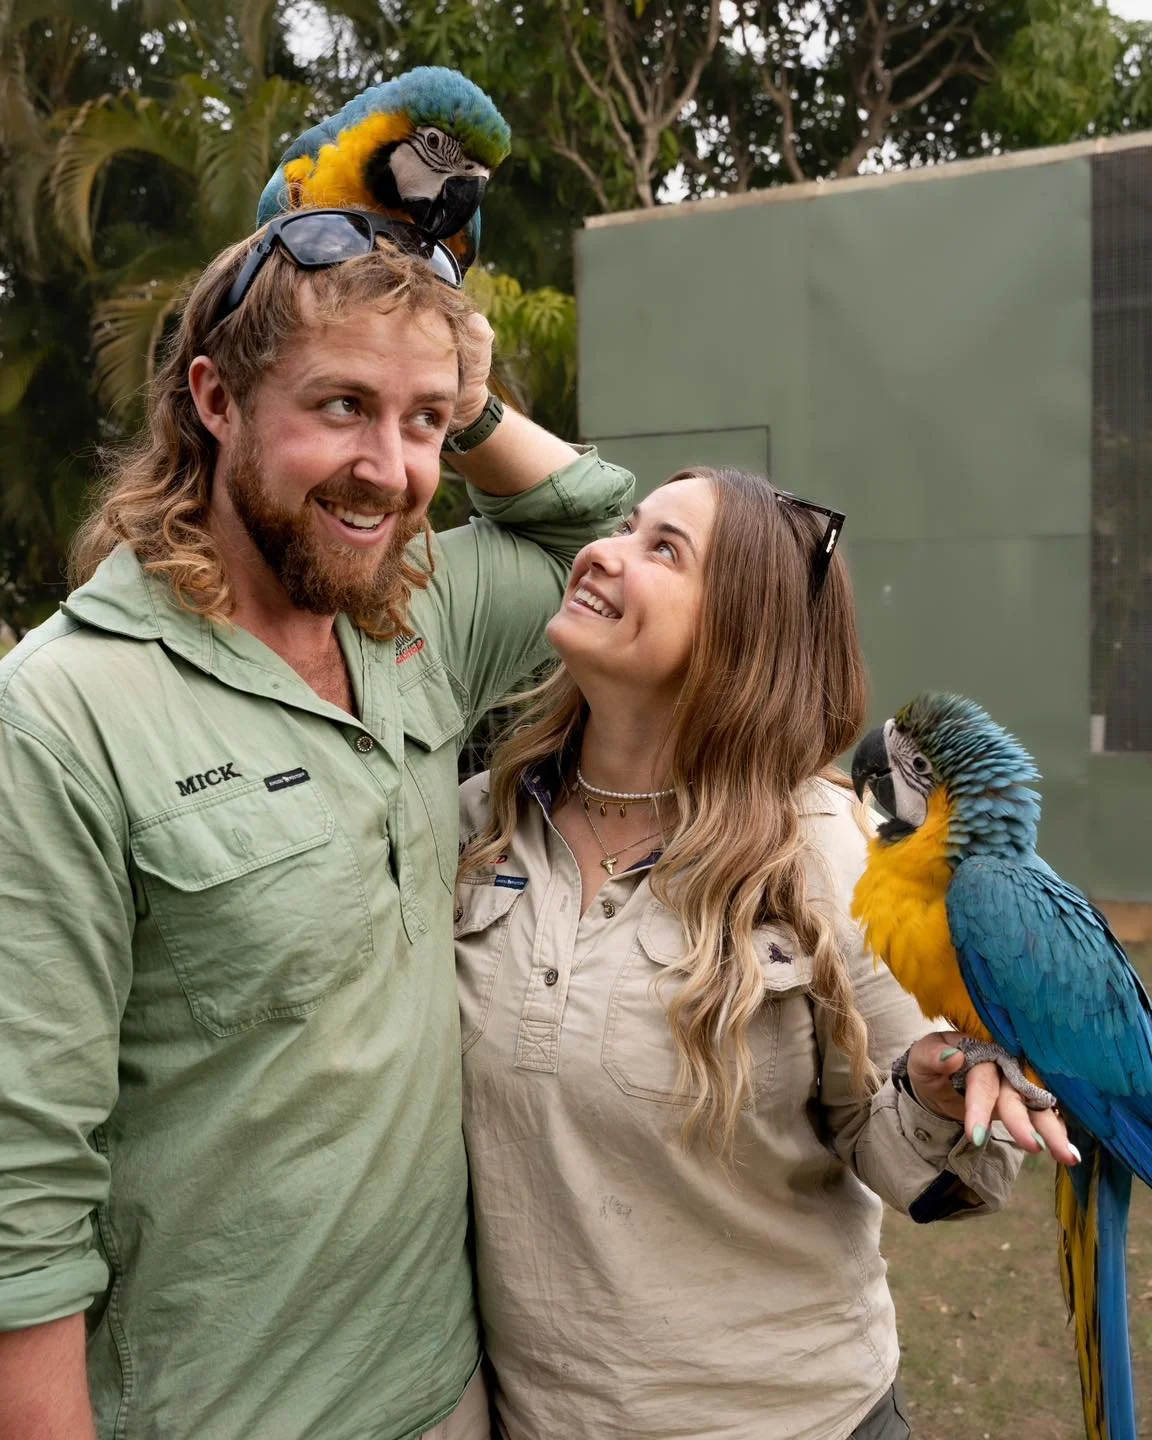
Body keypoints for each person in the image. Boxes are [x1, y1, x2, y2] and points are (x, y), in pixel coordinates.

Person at [0, 210, 632, 1440]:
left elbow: (599, 531)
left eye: (424, 424)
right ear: (217, 400)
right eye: (340, 405)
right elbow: (19, 1199)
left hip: (447, 1389)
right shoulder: (67, 711)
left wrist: (473, 407)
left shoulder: (414, 623)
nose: (390, 470)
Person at [455, 466, 1077, 1440]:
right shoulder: (482, 825)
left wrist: (930, 1088)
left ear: (738, 636)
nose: (600, 552)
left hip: (796, 1419)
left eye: (663, 548)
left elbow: (951, 1167)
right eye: (624, 525)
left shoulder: (826, 846)